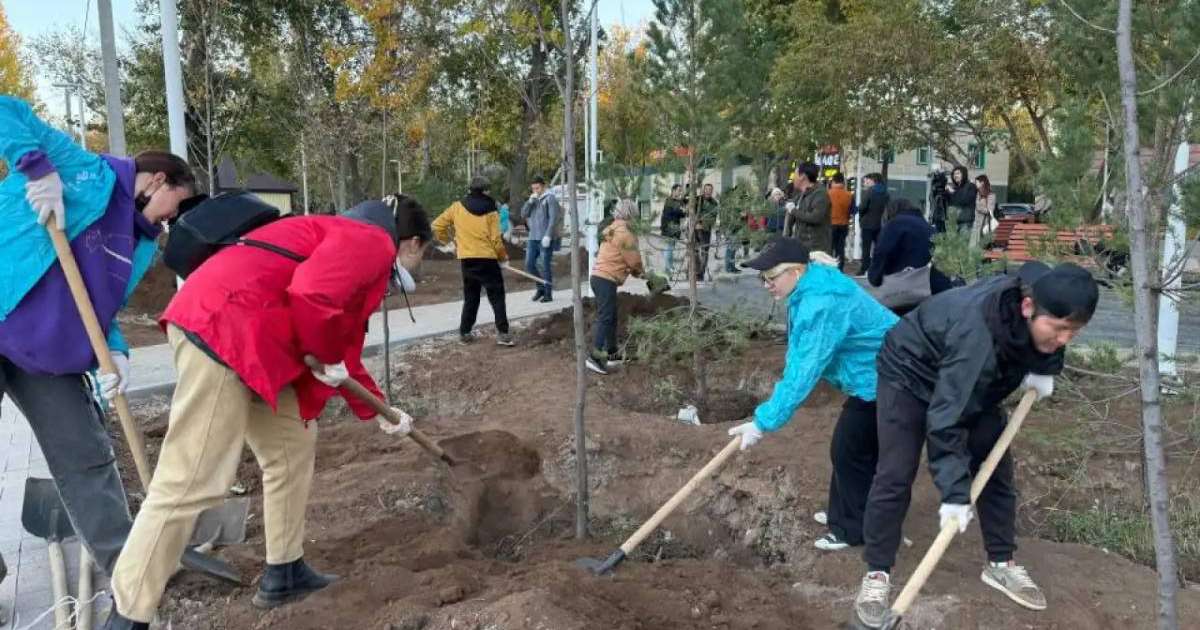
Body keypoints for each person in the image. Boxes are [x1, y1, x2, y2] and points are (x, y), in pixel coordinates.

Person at [102, 195, 433, 630]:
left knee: (292, 445)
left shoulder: (340, 233)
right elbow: (313, 296)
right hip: (224, 332)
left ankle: (285, 571)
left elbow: (341, 350)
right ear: (409, 241)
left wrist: (386, 413)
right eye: (422, 253)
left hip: (251, 339)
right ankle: (127, 615)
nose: (418, 265)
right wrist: (324, 351)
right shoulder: (371, 241)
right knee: (191, 479)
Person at [0, 96, 199, 580]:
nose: (174, 217)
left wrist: (115, 350)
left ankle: (130, 566)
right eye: (178, 201)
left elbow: (102, 307)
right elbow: (6, 108)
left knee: (85, 452)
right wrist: (36, 167)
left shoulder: (143, 244)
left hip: (47, 353)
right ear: (157, 181)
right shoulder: (83, 169)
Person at [851, 262, 1100, 629]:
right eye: (1059, 329)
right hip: (909, 371)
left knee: (995, 465)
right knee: (895, 472)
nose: (1064, 339)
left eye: (1073, 332)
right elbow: (946, 419)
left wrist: (1046, 365)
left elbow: (1043, 298)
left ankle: (1001, 563)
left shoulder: (1043, 290)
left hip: (968, 374)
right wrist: (954, 494)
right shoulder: (977, 337)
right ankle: (876, 574)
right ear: (1028, 307)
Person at [726, 237, 898, 551]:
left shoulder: (821, 302)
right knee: (856, 450)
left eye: (771, 277)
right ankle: (848, 514)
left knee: (849, 450)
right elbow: (799, 355)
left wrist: (763, 422)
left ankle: (851, 529)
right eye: (762, 278)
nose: (766, 285)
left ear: (796, 271)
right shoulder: (810, 287)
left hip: (889, 376)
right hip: (875, 374)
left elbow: (804, 372)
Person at [432, 176, 514, 346]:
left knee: (471, 297)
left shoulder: (457, 207)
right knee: (497, 296)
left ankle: (465, 332)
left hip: (467, 259)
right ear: (485, 191)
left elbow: (437, 225)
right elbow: (495, 239)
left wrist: (448, 243)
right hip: (488, 259)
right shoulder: (491, 210)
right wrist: (503, 257)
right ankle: (503, 333)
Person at [585, 199, 645, 376]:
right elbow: (634, 261)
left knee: (610, 317)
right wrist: (643, 274)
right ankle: (595, 357)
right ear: (631, 214)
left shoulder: (612, 228)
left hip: (598, 277)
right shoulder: (626, 233)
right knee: (606, 317)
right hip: (606, 279)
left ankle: (612, 354)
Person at [867, 198, 954, 315]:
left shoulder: (894, 224)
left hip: (906, 292)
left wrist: (875, 277)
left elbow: (882, 251)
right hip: (933, 289)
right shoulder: (929, 228)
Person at [521, 176, 562, 302]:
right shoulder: (533, 199)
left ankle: (548, 294)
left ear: (543, 186)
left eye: (537, 188)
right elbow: (523, 214)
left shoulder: (550, 198)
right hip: (533, 238)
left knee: (545, 266)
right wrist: (529, 202)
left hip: (545, 238)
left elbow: (553, 218)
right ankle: (540, 288)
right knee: (529, 265)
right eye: (533, 188)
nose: (535, 190)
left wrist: (548, 235)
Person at [783, 162, 832, 254]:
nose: (793, 178)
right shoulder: (801, 195)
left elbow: (815, 217)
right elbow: (790, 208)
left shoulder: (820, 194)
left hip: (816, 251)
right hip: (802, 247)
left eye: (795, 174)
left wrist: (793, 211)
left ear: (803, 177)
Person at [857, 173, 889, 276]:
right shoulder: (885, 192)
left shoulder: (869, 192)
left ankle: (864, 268)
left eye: (868, 180)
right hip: (879, 224)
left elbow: (862, 207)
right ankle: (879, 267)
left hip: (867, 223)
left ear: (873, 181)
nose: (866, 182)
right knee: (878, 247)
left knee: (866, 248)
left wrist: (861, 216)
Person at [692, 183, 719, 281]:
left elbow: (713, 218)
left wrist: (703, 224)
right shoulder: (697, 200)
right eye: (706, 189)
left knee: (704, 252)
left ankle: (700, 274)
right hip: (694, 230)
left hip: (706, 231)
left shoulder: (714, 203)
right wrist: (696, 222)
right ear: (703, 190)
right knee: (694, 251)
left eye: (710, 189)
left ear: (712, 191)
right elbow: (692, 212)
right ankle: (694, 272)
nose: (708, 191)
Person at [827, 172, 853, 271]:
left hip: (831, 224)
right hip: (844, 224)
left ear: (833, 182)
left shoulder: (828, 194)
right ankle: (840, 268)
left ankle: (829, 268)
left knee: (829, 247)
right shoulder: (849, 195)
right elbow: (852, 210)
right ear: (843, 182)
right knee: (840, 248)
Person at [660, 184, 687, 275]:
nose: (680, 192)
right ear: (673, 190)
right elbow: (675, 212)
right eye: (679, 190)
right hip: (669, 228)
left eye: (681, 190)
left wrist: (684, 211)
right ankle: (669, 267)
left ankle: (668, 267)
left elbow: (681, 214)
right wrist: (683, 210)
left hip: (675, 228)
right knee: (670, 248)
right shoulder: (669, 201)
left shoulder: (677, 202)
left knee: (670, 248)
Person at [946, 165, 978, 233]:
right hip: (954, 223)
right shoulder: (955, 189)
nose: (955, 176)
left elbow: (964, 200)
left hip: (965, 223)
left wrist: (953, 193)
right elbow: (950, 204)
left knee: (964, 243)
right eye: (954, 174)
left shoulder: (970, 186)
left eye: (958, 173)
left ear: (963, 174)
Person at [973, 174, 996, 249]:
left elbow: (989, 210)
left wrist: (978, 207)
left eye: (976, 182)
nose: (975, 184)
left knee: (984, 247)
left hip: (985, 224)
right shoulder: (977, 194)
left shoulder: (991, 195)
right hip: (976, 224)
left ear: (982, 183)